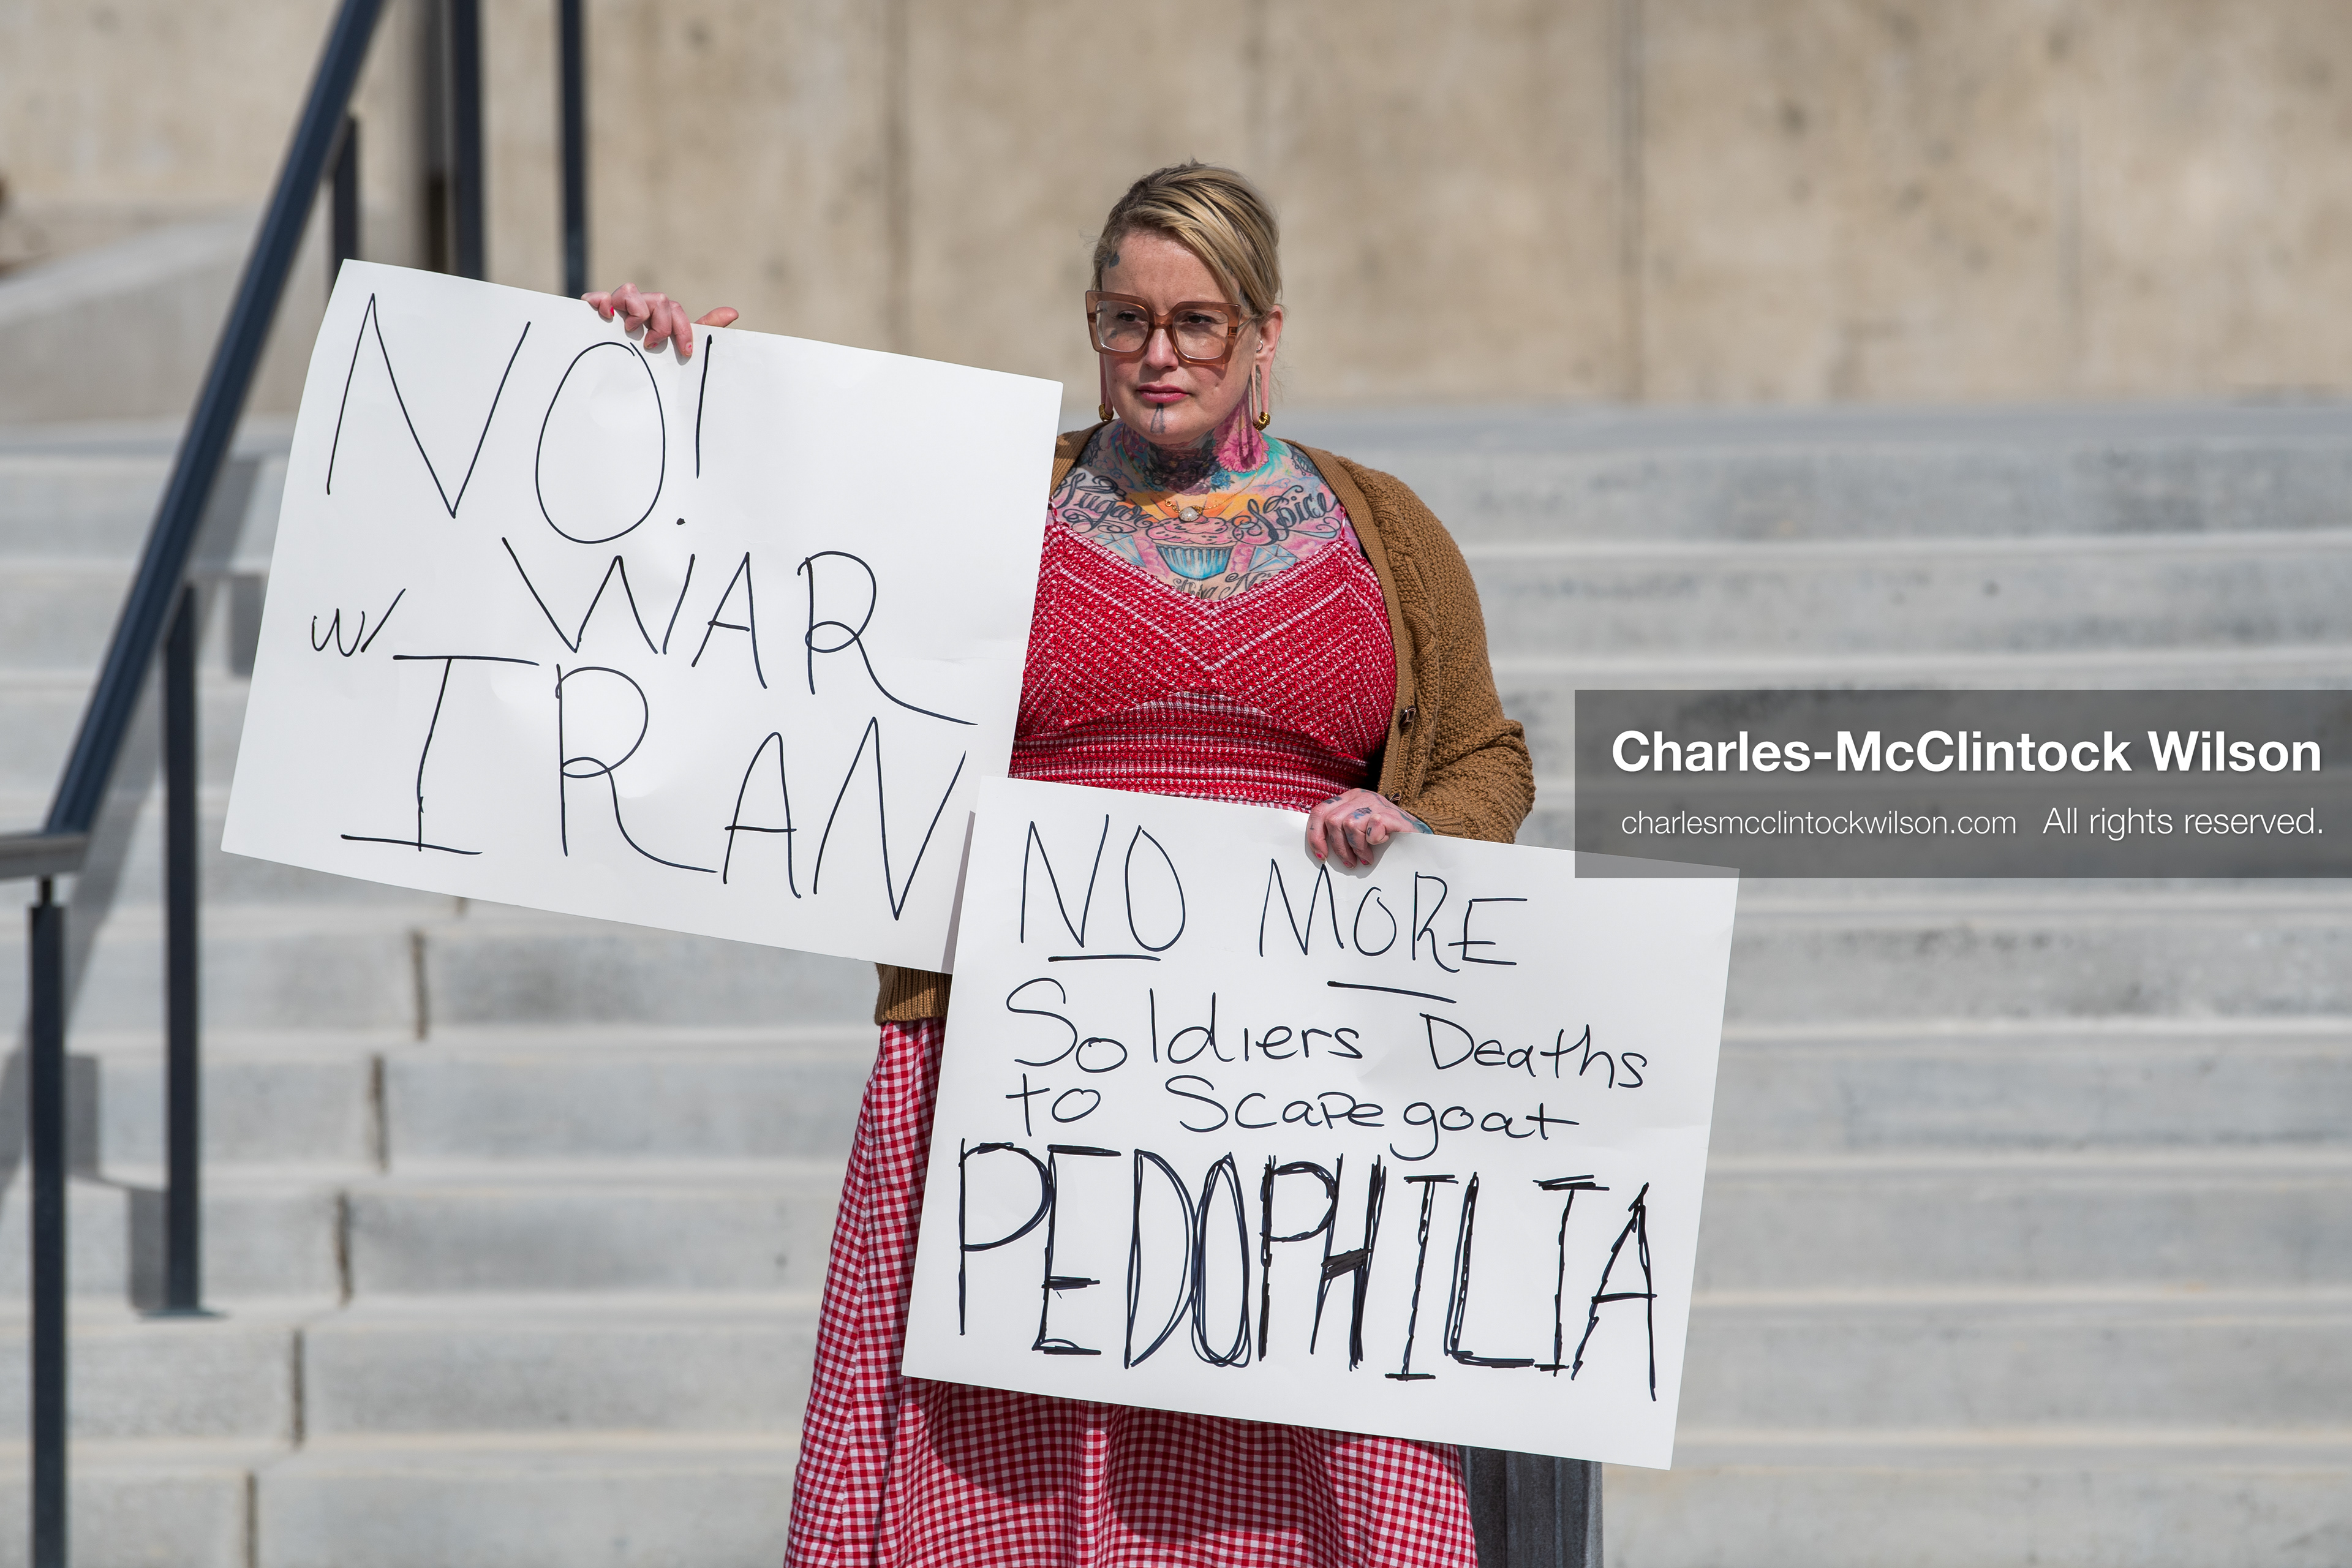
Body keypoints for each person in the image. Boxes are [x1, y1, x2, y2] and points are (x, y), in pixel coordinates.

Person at [590, 161, 1533, 1568]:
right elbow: (759, 597)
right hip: (1022, 1067)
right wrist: (668, 394)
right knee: (1015, 1473)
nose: (1158, 353)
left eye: (1199, 320)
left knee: (1321, 1472)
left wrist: (1416, 835)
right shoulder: (983, 501)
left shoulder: (1384, 531)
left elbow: (1486, 756)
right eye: (1124, 317)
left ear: (1269, 334)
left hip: (1297, 1078)